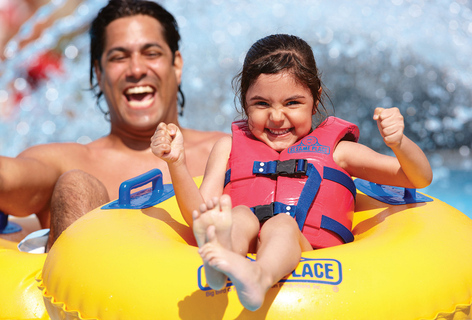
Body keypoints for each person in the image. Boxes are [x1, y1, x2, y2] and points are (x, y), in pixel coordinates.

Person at [151, 34, 432, 311]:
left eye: (292, 103)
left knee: (281, 224)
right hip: (244, 244)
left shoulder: (339, 152)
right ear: (244, 100)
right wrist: (176, 163)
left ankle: (259, 276)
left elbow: (417, 178)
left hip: (313, 261)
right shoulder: (227, 147)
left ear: (315, 98)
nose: (276, 117)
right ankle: (222, 259)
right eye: (261, 104)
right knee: (236, 216)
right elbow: (199, 215)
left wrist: (399, 143)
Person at [0, 0, 226, 249]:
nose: (136, 69)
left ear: (176, 64)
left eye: (151, 53)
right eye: (119, 57)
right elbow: (8, 178)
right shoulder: (62, 162)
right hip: (90, 282)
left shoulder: (226, 152)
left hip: (206, 284)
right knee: (77, 185)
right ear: (98, 72)